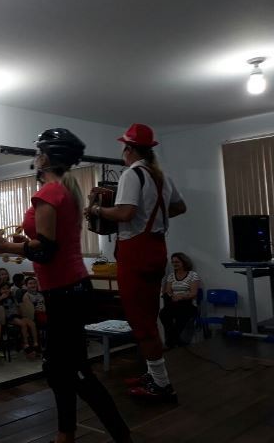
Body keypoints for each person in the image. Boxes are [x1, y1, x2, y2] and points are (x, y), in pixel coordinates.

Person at [0, 128, 131, 443]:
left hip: (65, 291)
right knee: (59, 369)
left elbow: (47, 251)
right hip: (69, 289)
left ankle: (121, 436)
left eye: (38, 152)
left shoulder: (50, 193)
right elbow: (48, 244)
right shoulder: (65, 190)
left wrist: (6, 247)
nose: (35, 157)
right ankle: (66, 434)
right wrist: (23, 243)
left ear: (46, 158)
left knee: (74, 371)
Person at [86, 123, 186, 401]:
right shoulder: (161, 176)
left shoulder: (132, 174)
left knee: (140, 322)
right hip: (157, 248)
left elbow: (125, 213)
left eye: (124, 147)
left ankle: (162, 385)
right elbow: (180, 207)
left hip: (136, 253)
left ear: (129, 149)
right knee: (149, 317)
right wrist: (153, 217)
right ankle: (154, 374)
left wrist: (96, 209)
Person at [159, 253, 200, 348]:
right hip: (174, 302)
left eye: (177, 262)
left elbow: (193, 293)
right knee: (163, 314)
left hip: (188, 303)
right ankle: (176, 340)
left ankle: (171, 342)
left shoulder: (193, 275)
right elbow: (168, 291)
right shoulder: (171, 276)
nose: (174, 264)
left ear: (184, 262)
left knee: (181, 316)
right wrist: (173, 296)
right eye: (173, 262)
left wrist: (182, 296)